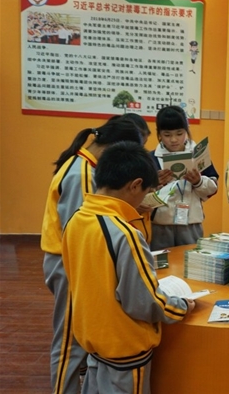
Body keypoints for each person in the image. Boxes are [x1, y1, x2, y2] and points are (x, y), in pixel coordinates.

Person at [61, 141, 194, 394]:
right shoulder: (125, 233)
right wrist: (182, 306)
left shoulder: (75, 220)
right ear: (135, 185)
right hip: (125, 346)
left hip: (93, 338)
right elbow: (144, 302)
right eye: (146, 192)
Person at [40, 118, 143, 394]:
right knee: (68, 343)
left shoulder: (81, 163)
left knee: (76, 337)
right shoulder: (83, 174)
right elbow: (83, 230)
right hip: (68, 262)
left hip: (68, 259)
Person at [150, 106, 218, 249]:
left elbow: (213, 189)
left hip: (191, 223)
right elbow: (139, 197)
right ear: (159, 134)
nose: (174, 139)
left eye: (179, 133)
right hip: (160, 225)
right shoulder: (150, 159)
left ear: (187, 130)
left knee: (190, 260)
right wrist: (153, 185)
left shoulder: (199, 155)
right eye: (167, 135)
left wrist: (198, 182)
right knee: (161, 261)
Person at [121, 113, 156, 244]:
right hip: (127, 237)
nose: (141, 149)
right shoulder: (116, 166)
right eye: (139, 145)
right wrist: (133, 207)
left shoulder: (141, 161)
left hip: (143, 234)